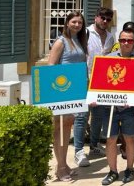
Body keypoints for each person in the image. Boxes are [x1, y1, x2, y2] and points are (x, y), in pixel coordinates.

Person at [48, 11, 88, 182]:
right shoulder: (60, 41)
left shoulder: (79, 40)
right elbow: (51, 66)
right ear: (67, 23)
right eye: (74, 22)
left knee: (68, 125)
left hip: (76, 89)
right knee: (61, 127)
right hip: (63, 90)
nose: (77, 25)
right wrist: (57, 93)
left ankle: (64, 164)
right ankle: (61, 167)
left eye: (79, 22)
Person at [100, 28, 134, 185]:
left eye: (130, 40)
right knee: (111, 140)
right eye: (123, 40)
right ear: (119, 41)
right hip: (109, 107)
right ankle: (112, 171)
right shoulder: (107, 59)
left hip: (130, 108)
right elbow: (101, 82)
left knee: (130, 140)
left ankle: (130, 169)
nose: (126, 43)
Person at [84, 7, 115, 162]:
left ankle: (94, 145)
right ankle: (79, 149)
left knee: (97, 116)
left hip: (101, 81)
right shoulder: (86, 33)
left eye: (108, 19)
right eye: (102, 18)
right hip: (85, 78)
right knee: (82, 115)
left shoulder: (111, 37)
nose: (105, 21)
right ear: (96, 17)